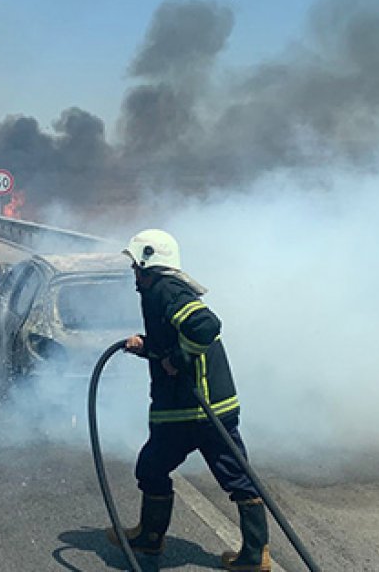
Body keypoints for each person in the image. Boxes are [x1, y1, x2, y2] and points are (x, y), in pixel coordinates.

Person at [109, 228, 271, 571]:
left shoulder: (166, 290)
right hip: (183, 411)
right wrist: (147, 347)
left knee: (235, 478)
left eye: (136, 267)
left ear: (148, 266)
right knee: (152, 467)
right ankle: (151, 539)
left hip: (200, 410)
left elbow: (204, 325)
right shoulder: (160, 293)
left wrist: (176, 358)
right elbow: (174, 341)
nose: (133, 275)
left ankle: (255, 556)